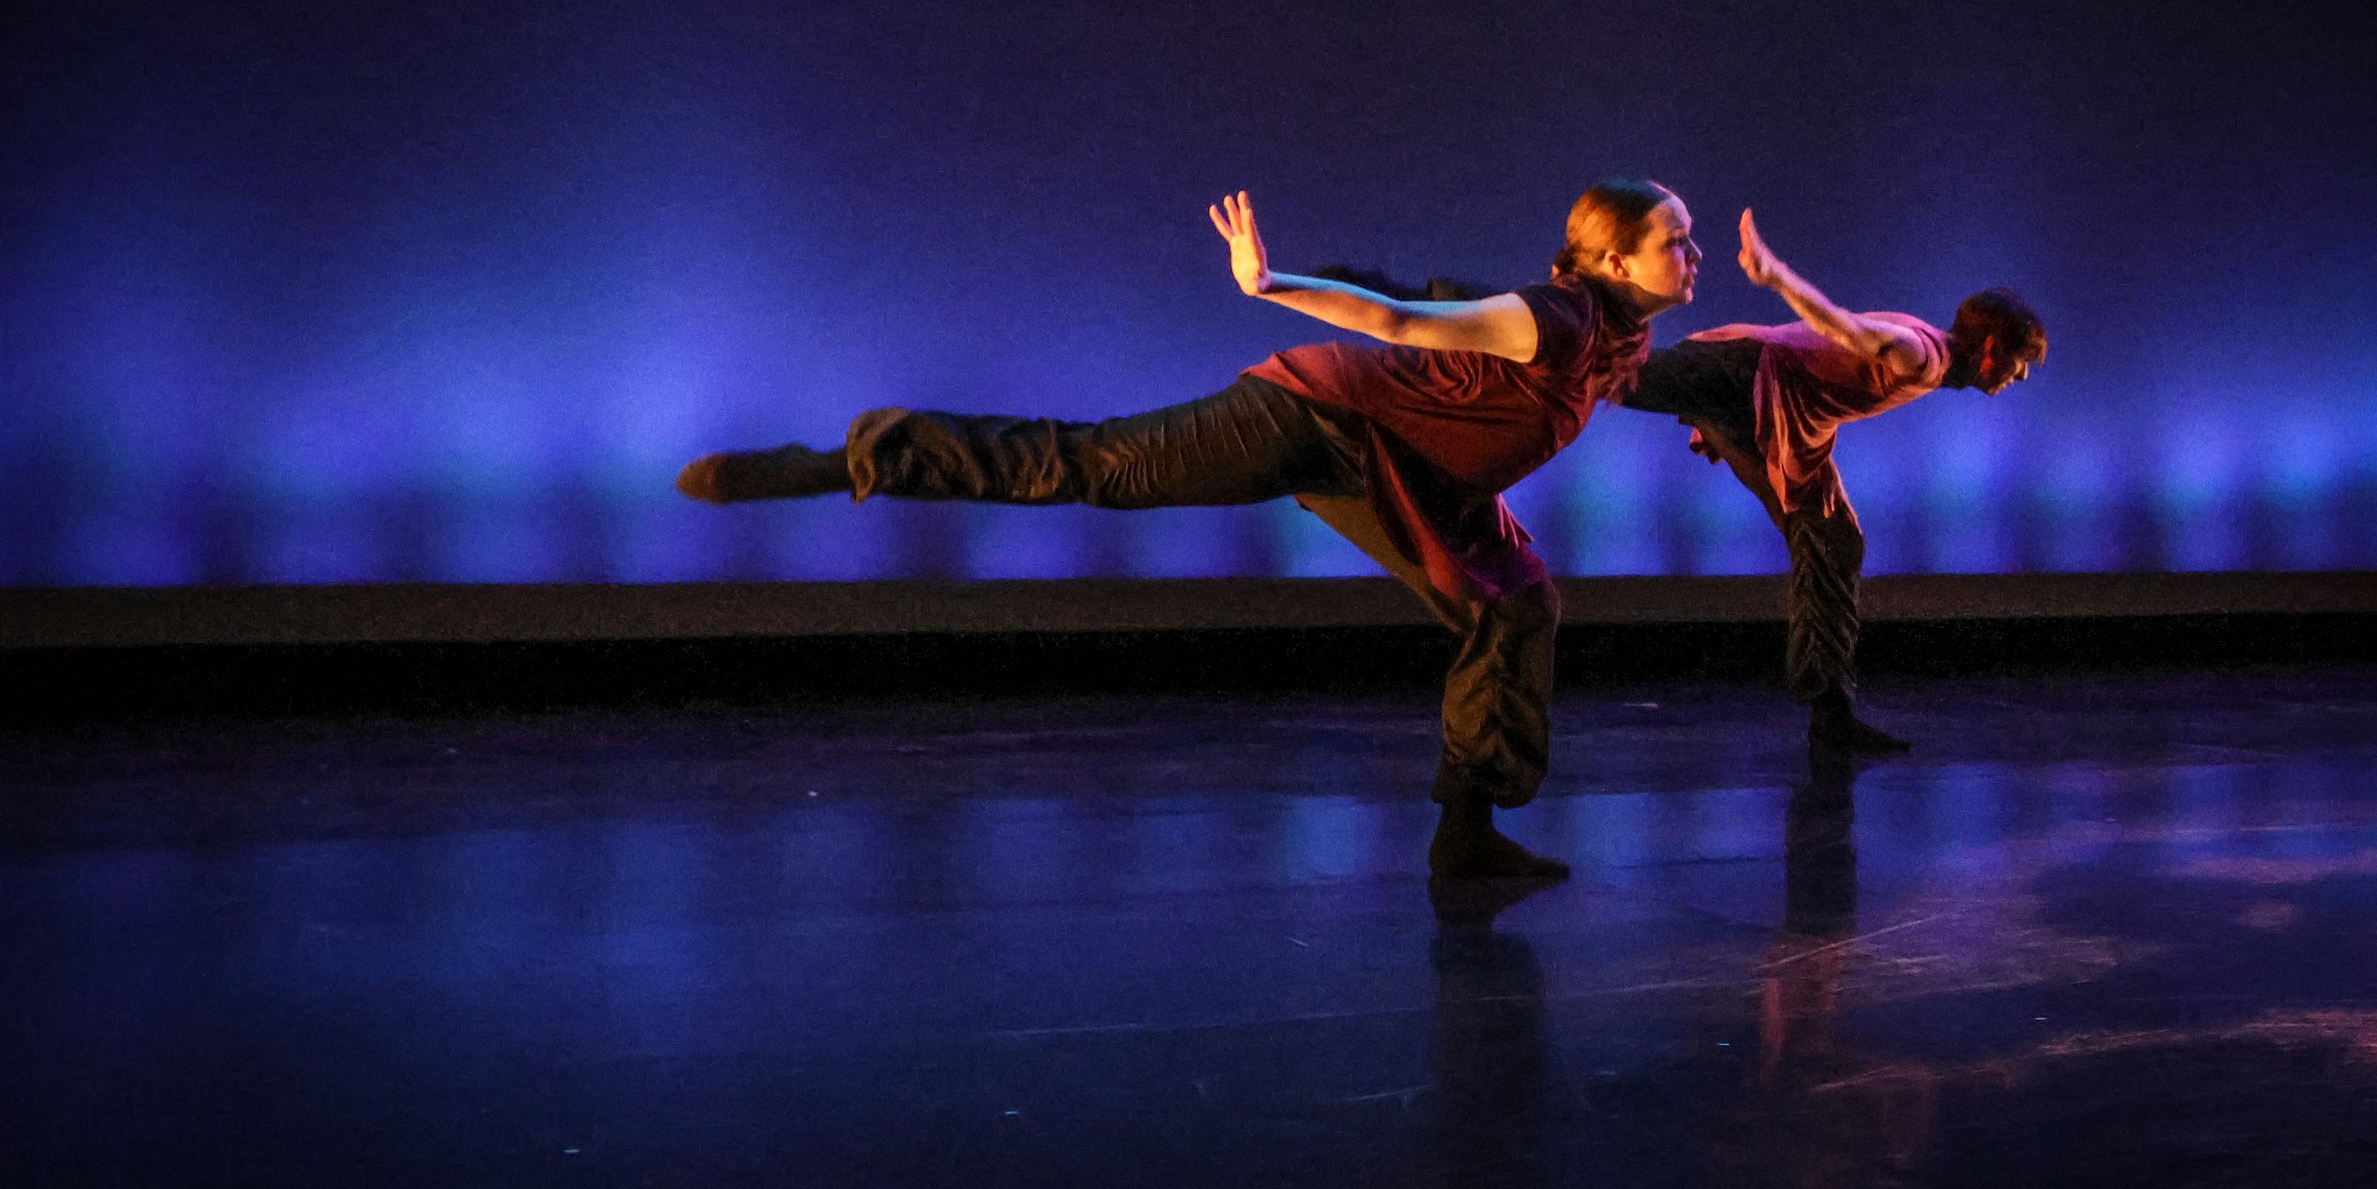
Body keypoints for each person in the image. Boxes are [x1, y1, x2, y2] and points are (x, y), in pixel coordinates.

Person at [673, 181, 1703, 879]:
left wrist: (1734, 383)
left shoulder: (1615, 338)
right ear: (1615, 259)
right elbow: (1399, 322)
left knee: (1514, 604)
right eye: (1676, 240)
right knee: (1096, 466)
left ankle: (1467, 830)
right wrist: (1272, 284)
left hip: (1412, 472)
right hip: (1316, 418)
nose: (1692, 254)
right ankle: (857, 457)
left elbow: (1446, 309)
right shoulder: (1553, 318)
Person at [1619, 208, 2046, 752]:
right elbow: (1844, 326)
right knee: (1608, 373)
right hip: (1742, 375)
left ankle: (1830, 713)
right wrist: (1774, 275)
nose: (2021, 376)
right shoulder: (1923, 355)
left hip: (1768, 407)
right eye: (2020, 361)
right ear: (1991, 350)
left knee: (1833, 540)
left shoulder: (1928, 348)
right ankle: (1527, 333)